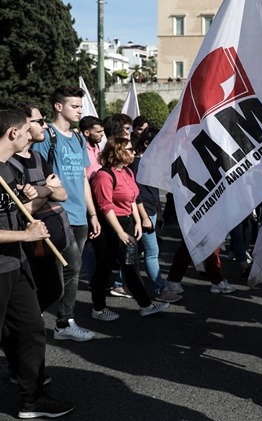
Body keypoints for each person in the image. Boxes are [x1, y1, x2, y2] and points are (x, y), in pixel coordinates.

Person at [0, 108, 75, 418]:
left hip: (15, 266)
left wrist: (34, 193)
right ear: (13, 134)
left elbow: (20, 207)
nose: (30, 133)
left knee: (31, 329)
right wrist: (25, 234)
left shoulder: (8, 170)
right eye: (25, 129)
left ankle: (33, 399)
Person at [33, 86, 101, 342]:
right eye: (75, 106)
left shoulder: (79, 138)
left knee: (70, 270)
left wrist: (92, 213)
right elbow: (39, 176)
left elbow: (83, 177)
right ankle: (58, 320)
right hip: (56, 213)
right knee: (63, 268)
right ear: (58, 106)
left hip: (79, 215)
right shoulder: (46, 136)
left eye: (81, 106)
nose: (80, 111)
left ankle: (57, 320)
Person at [89, 137, 169, 321]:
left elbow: (133, 198)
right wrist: (120, 232)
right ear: (117, 152)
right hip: (110, 226)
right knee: (105, 267)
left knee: (131, 264)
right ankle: (99, 308)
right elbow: (105, 206)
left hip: (126, 224)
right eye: (129, 149)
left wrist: (139, 222)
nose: (133, 152)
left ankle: (145, 304)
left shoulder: (127, 172)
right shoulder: (104, 175)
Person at [130, 128, 181, 303]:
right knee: (152, 252)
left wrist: (158, 212)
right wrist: (144, 217)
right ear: (146, 143)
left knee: (134, 251)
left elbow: (153, 189)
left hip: (150, 212)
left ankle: (119, 283)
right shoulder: (138, 163)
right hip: (143, 213)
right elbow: (135, 194)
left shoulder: (151, 162)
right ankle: (160, 289)